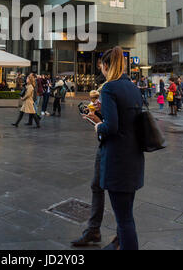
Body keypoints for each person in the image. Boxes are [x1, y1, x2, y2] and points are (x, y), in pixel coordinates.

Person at [95, 47, 144, 251]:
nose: (102, 72)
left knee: (124, 220)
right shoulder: (133, 87)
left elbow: (112, 127)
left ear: (106, 66)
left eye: (102, 68)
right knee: (127, 215)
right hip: (134, 158)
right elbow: (128, 120)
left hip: (118, 161)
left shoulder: (108, 88)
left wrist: (98, 125)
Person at [71, 90, 104, 248]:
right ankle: (94, 230)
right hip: (107, 146)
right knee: (97, 186)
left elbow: (114, 125)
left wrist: (98, 121)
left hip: (114, 147)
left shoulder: (113, 88)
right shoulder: (110, 89)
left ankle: (121, 237)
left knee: (117, 194)